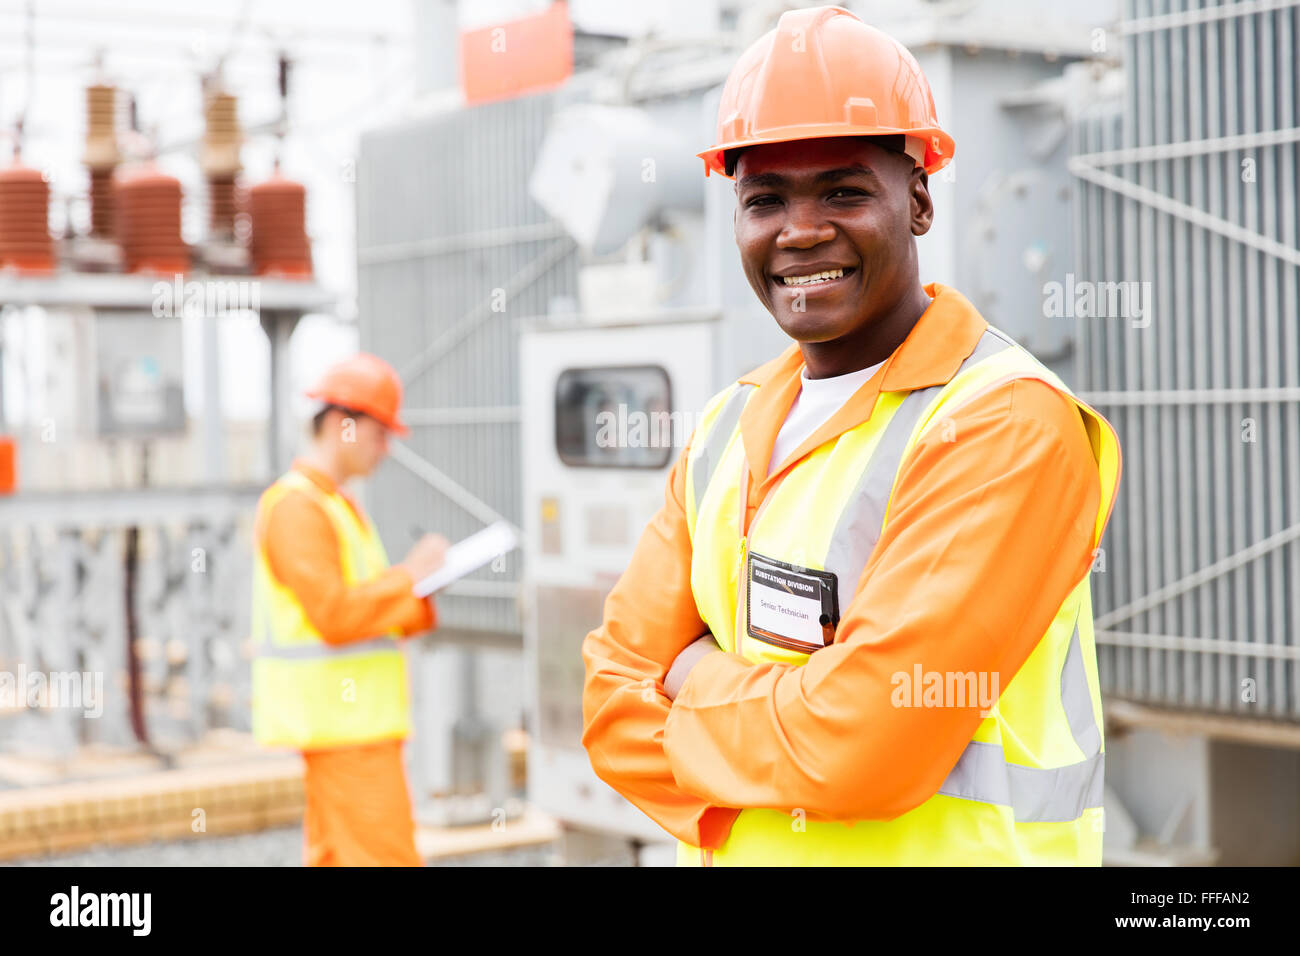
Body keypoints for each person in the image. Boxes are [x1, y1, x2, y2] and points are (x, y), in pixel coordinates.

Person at [581, 5, 1123, 866]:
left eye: (842, 189)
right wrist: (801, 710)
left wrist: (692, 676)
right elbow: (610, 701)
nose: (801, 231)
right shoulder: (727, 427)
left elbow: (866, 745)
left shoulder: (1003, 424)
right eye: (766, 199)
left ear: (916, 200)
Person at [250, 352, 448, 866]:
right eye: (380, 434)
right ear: (342, 425)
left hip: (353, 728)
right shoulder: (298, 508)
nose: (386, 450)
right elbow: (335, 616)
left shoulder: (337, 506)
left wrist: (416, 595)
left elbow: (367, 607)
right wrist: (410, 577)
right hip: (345, 731)